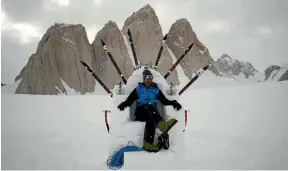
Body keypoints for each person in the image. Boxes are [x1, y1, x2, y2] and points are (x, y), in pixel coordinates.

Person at [117, 69, 182, 152]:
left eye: (151, 79)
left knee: (151, 119)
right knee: (150, 107)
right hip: (141, 112)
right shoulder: (138, 89)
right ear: (144, 79)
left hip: (152, 113)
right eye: (147, 79)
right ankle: (162, 125)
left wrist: (173, 102)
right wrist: (123, 104)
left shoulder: (156, 90)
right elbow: (130, 100)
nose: (149, 81)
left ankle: (148, 144)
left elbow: (164, 101)